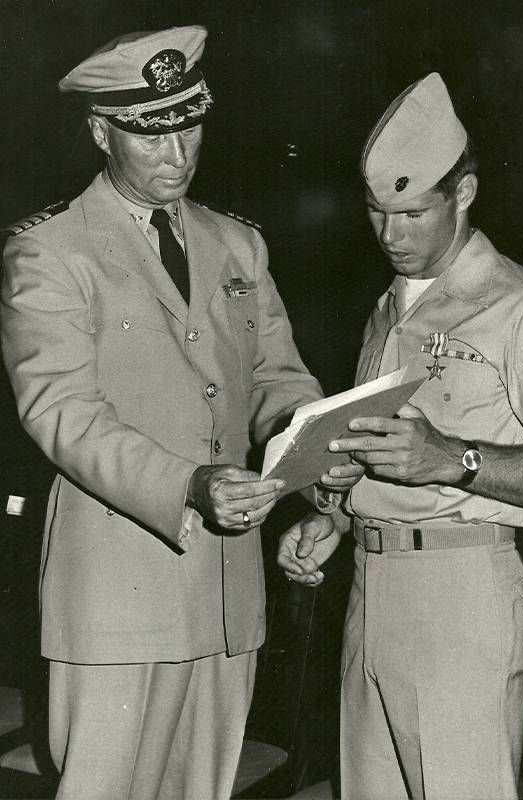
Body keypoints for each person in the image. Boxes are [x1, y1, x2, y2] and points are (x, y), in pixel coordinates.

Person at [0, 25, 353, 800]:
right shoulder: (51, 252)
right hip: (115, 590)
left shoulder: (237, 245)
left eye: (189, 126)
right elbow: (61, 411)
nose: (177, 154)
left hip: (227, 590)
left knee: (205, 788)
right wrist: (190, 482)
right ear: (100, 132)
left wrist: (315, 447)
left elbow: (275, 377)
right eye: (150, 134)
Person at [278, 72, 523, 800]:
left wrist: (453, 461)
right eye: (376, 212)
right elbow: (382, 447)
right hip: (371, 585)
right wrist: (332, 516)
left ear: (464, 193)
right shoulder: (390, 305)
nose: (392, 235)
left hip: (462, 596)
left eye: (414, 212)